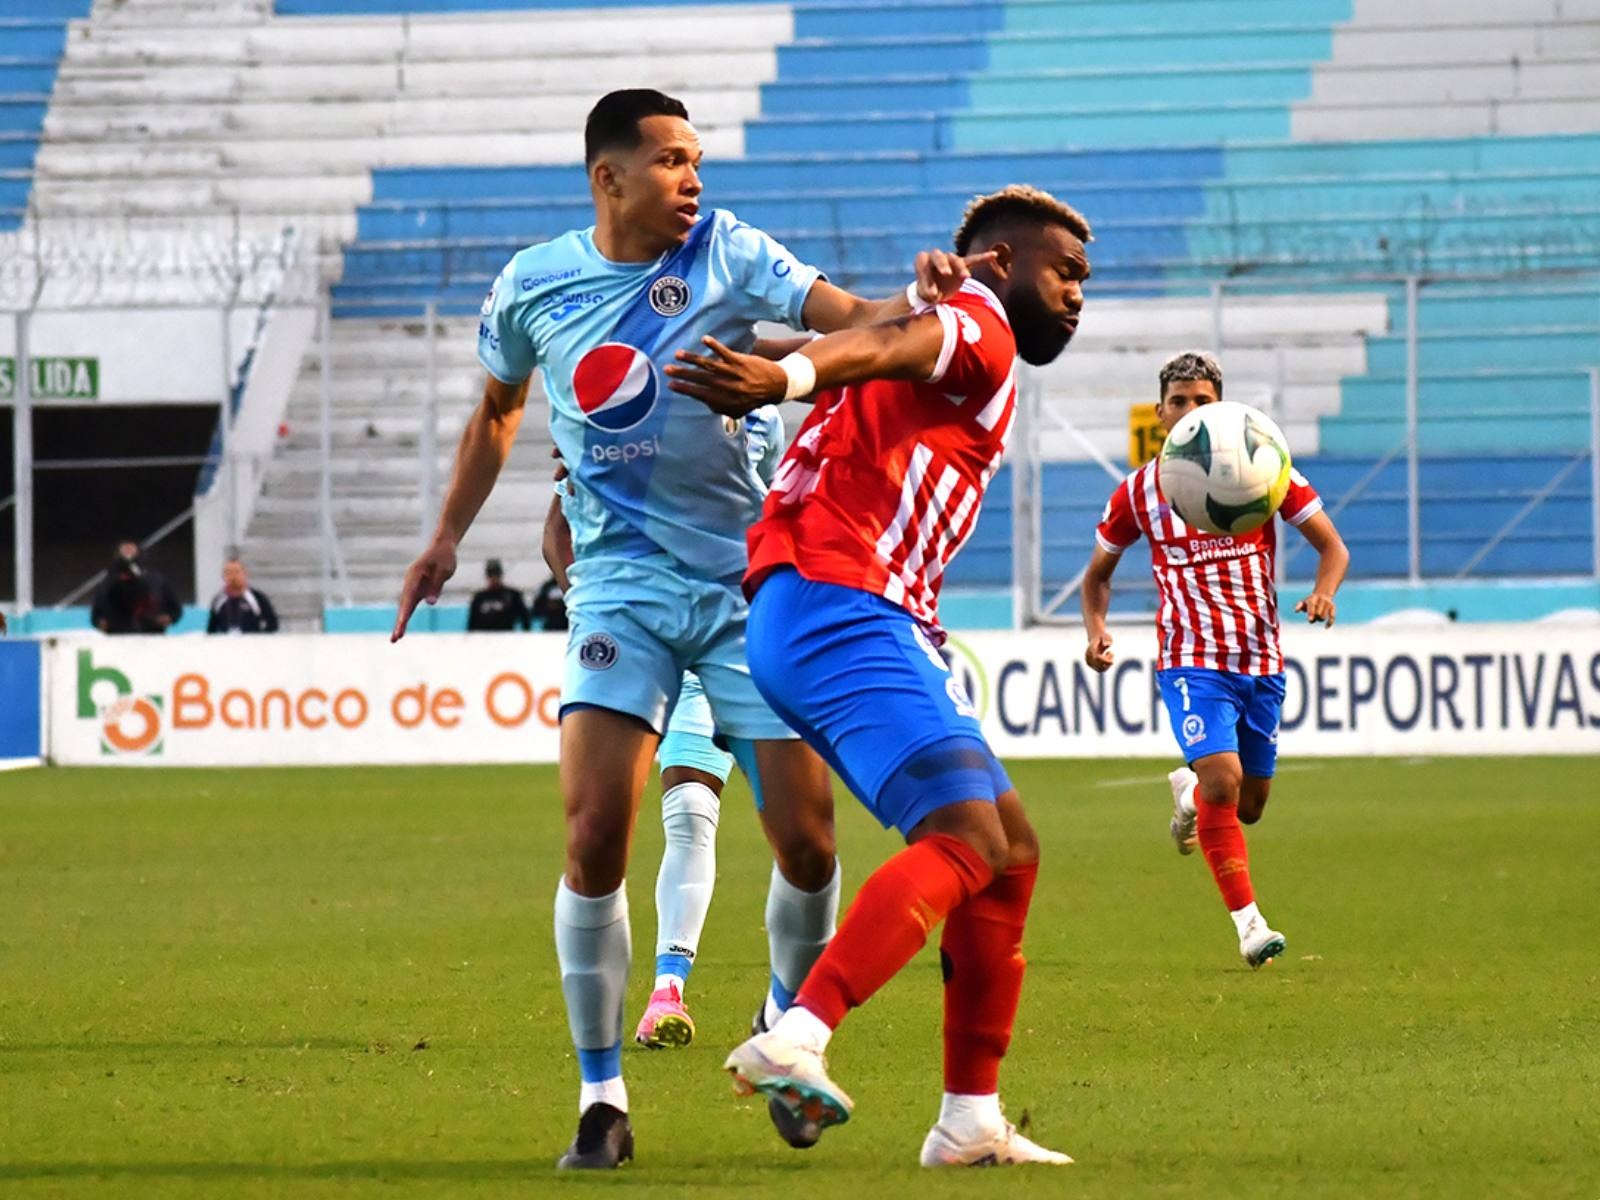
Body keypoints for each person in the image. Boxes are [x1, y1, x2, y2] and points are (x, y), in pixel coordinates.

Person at [391, 89, 975, 1169]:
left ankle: (783, 1029)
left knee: (806, 844)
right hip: (618, 585)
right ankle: (601, 1098)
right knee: (593, 834)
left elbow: (849, 316)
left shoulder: (727, 250)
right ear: (608, 179)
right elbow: (498, 411)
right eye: (669, 161)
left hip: (749, 584)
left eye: (696, 159)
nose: (692, 179)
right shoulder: (535, 284)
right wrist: (443, 539)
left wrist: (920, 297)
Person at [669, 184, 1090, 1167]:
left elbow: (883, 339)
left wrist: (787, 366)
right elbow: (890, 347)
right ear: (999, 260)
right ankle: (793, 1034)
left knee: (1009, 852)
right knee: (965, 836)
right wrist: (788, 378)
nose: (1077, 294)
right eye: (1063, 270)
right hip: (840, 600)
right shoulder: (978, 323)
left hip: (827, 606)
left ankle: (967, 1119)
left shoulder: (939, 310)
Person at [1080, 351, 1350, 967]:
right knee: (1223, 782)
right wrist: (1095, 630)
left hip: (1260, 659)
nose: (1190, 412)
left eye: (1202, 401)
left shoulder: (1263, 467)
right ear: (1161, 413)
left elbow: (1332, 548)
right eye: (1179, 402)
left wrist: (1324, 591)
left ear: (1221, 406)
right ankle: (1250, 926)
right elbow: (1097, 576)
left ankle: (1187, 792)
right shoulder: (1138, 493)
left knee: (1247, 805)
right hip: (1191, 662)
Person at [91, 540, 182, 635]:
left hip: (152, 637)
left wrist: (169, 617)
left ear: (138, 550)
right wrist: (100, 622)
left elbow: (174, 608)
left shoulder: (155, 579)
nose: (128, 549)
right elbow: (97, 613)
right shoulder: (108, 581)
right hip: (118, 637)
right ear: (118, 552)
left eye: (131, 546)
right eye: (125, 547)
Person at [206, 558, 279, 634]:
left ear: (245, 574)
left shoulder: (258, 598)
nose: (233, 576)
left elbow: (273, 625)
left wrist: (258, 639)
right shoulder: (218, 600)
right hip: (226, 644)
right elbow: (211, 630)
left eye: (237, 572)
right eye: (229, 572)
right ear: (224, 576)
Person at [466, 558, 531, 631]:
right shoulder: (479, 597)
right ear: (487, 576)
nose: (494, 578)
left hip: (506, 637)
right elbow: (472, 623)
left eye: (496, 575)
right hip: (484, 638)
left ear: (501, 575)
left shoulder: (513, 595)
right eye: (491, 575)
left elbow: (525, 619)